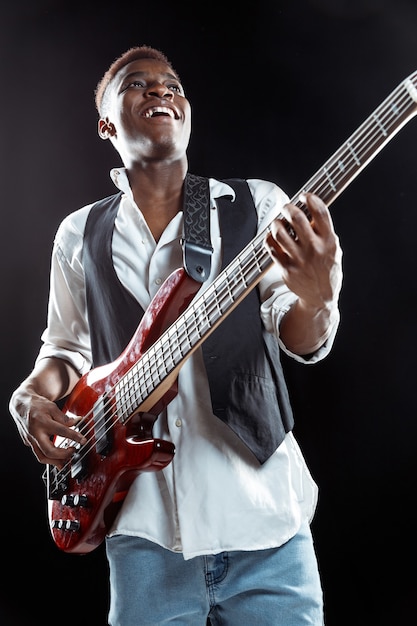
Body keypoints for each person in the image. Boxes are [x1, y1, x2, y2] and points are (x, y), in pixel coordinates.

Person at [9, 45, 343, 625]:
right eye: (138, 83)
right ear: (106, 123)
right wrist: (30, 394)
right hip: (143, 538)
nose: (161, 90)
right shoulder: (78, 233)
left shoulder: (258, 204)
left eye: (172, 84)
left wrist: (317, 295)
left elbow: (302, 336)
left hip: (266, 524)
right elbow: (64, 349)